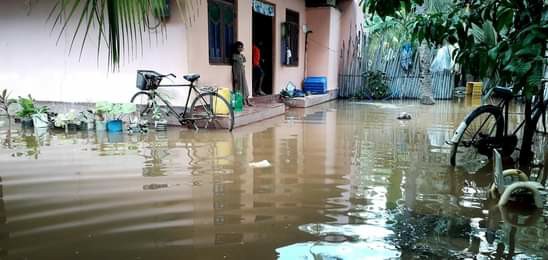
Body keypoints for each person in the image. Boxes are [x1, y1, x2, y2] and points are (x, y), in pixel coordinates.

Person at [232, 41, 253, 106]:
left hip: (242, 73)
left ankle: (247, 101)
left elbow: (244, 60)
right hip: (238, 74)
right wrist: (235, 76)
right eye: (239, 47)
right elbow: (234, 67)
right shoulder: (234, 56)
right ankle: (239, 102)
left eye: (241, 47)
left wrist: (242, 55)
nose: (240, 48)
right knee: (238, 88)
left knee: (245, 87)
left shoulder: (241, 55)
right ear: (236, 48)